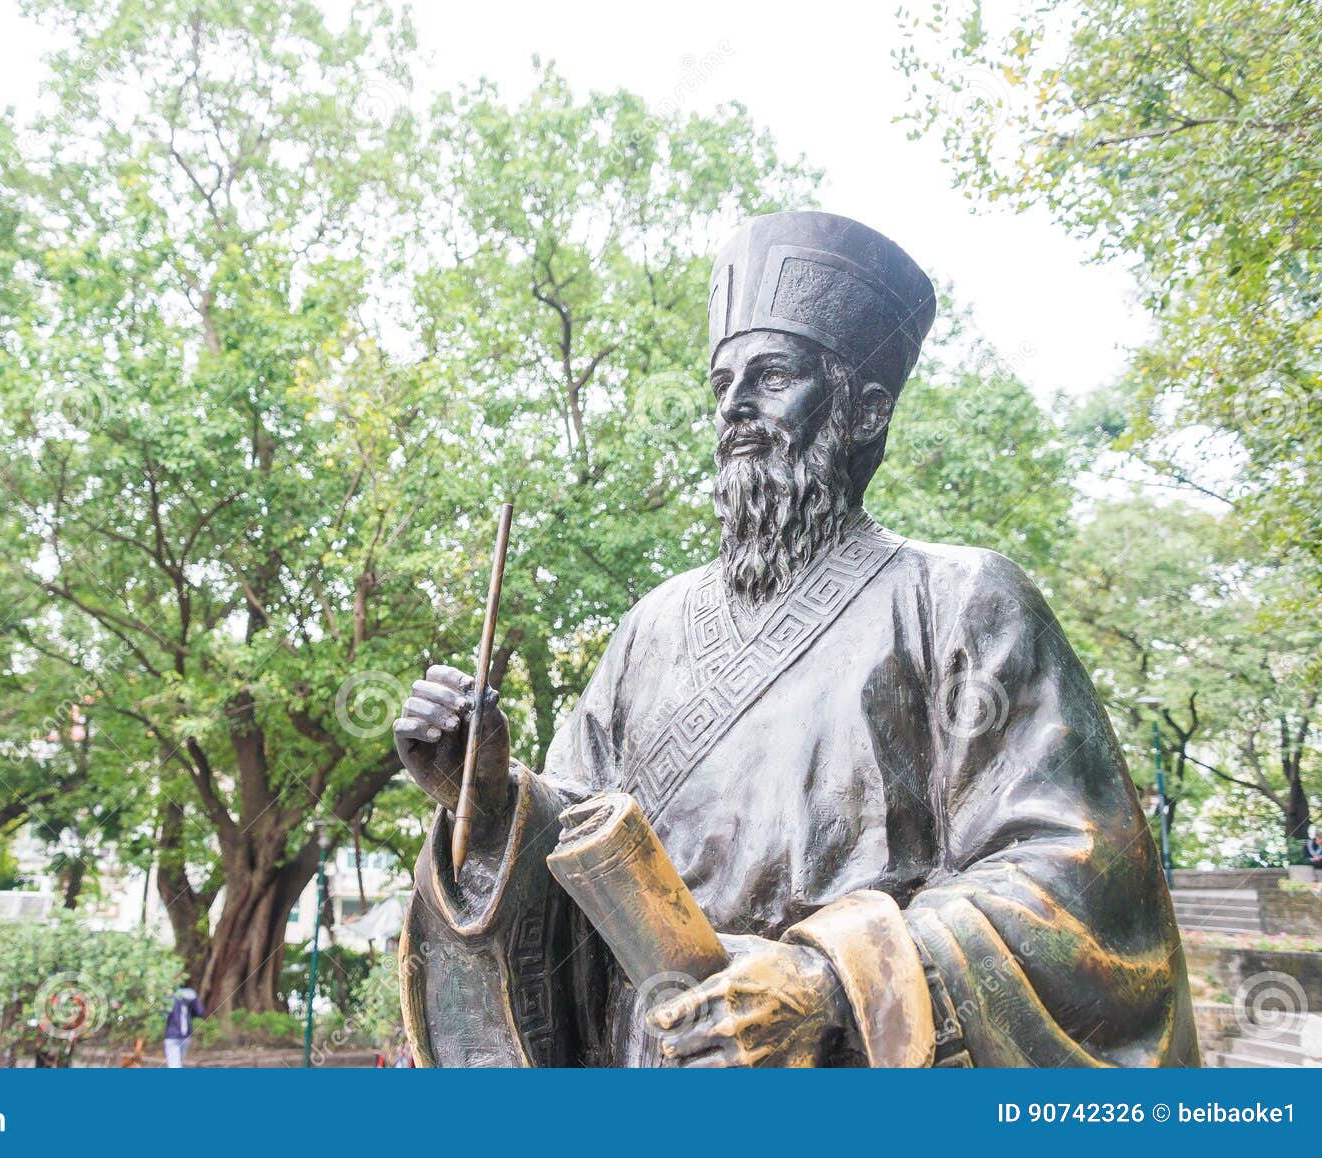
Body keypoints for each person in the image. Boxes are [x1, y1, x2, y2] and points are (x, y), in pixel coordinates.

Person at [392, 211, 1199, 1068]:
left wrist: (832, 980)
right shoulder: (649, 631)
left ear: (863, 411)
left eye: (771, 376)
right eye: (722, 384)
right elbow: (572, 846)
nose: (735, 406)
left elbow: (1074, 878)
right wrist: (488, 804)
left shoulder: (958, 597)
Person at [162, 986, 205, 1069]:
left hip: (172, 1035)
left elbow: (164, 1015)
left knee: (174, 1065)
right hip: (186, 1035)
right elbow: (200, 1012)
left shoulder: (168, 994)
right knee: (179, 1063)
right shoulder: (191, 993)